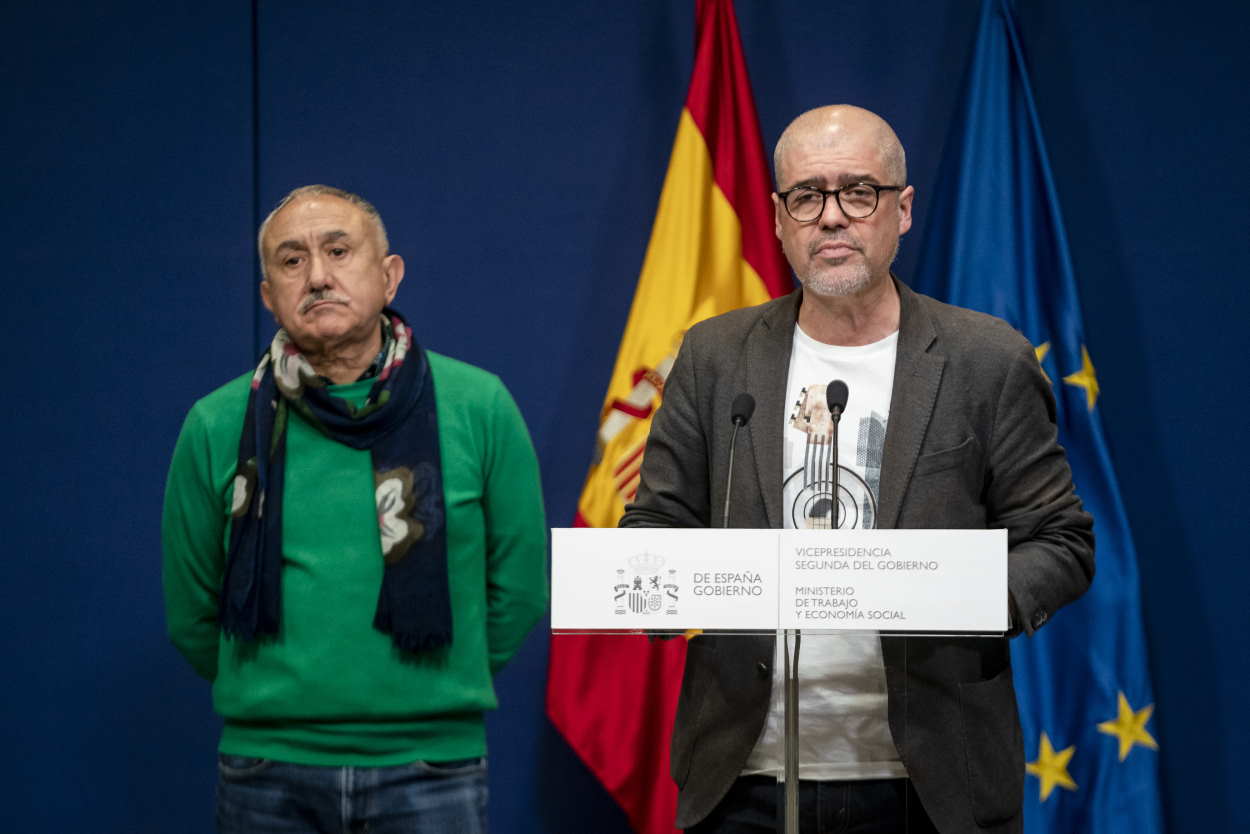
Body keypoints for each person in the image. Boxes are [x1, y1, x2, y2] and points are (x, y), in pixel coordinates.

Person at [621, 106, 1094, 833]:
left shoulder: (986, 360)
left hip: (932, 784)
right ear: (779, 220)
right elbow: (653, 528)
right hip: (745, 778)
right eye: (806, 196)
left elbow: (1060, 541)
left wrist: (962, 596)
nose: (832, 217)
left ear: (902, 210)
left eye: (858, 192)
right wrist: (652, 589)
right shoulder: (715, 358)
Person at [162, 184, 547, 833]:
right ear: (267, 296)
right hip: (267, 772)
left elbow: (520, 587)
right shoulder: (215, 423)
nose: (317, 275)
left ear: (389, 275)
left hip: (431, 766)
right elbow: (193, 609)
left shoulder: (480, 406)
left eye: (338, 251)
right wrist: (280, 698)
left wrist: (431, 691)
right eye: (291, 261)